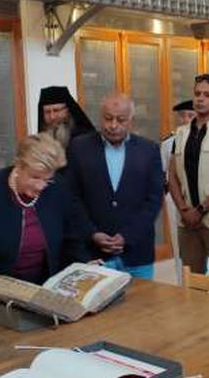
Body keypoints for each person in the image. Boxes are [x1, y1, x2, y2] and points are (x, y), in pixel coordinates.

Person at [0, 133, 89, 285]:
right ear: (18, 166)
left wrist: (84, 266)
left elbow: (72, 238)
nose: (41, 186)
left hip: (46, 285)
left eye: (47, 180)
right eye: (35, 177)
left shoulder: (58, 188)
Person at [66, 93, 164, 279]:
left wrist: (128, 236)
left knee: (143, 299)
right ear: (100, 117)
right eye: (108, 118)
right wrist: (92, 233)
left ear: (131, 121)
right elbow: (72, 198)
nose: (113, 125)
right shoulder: (79, 148)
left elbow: (154, 199)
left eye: (121, 120)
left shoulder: (149, 150)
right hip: (94, 254)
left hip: (137, 254)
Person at [168, 74, 209, 274]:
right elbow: (172, 176)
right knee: (191, 280)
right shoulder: (181, 133)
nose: (200, 99)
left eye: (207, 95)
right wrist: (184, 210)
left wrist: (201, 210)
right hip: (186, 221)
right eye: (197, 94)